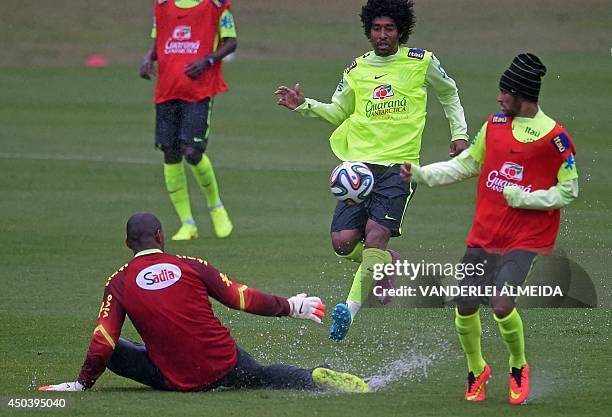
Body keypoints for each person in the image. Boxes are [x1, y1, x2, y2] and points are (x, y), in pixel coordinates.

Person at [274, 0, 469, 341]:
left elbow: (449, 93)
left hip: (399, 168)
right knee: (343, 244)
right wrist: (303, 105)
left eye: (389, 28)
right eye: (376, 28)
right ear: (368, 31)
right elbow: (338, 112)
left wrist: (460, 134)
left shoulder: (421, 61)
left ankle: (347, 310)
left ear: (401, 30)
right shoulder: (357, 69)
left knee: (376, 236)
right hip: (358, 170)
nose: (382, 35)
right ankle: (383, 262)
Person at [400, 53, 579, 404]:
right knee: (465, 303)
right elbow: (467, 164)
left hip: (526, 238)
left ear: (522, 94)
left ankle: (517, 365)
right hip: (486, 233)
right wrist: (421, 173)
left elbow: (569, 190)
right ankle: (476, 369)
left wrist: (527, 198)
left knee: (500, 303)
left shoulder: (555, 138)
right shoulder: (494, 125)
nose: (498, 98)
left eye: (505, 92)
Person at [39, 213, 368, 393]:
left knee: (117, 349)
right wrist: (291, 306)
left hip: (178, 380)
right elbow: (240, 297)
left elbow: (103, 341)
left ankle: (96, 381)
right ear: (160, 236)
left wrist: (82, 383)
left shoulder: (119, 281)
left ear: (128, 244)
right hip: (226, 363)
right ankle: (312, 379)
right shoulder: (191, 265)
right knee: (265, 376)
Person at [139, 0, 236, 241]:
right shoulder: (162, 5)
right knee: (170, 153)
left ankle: (216, 207)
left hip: (199, 91)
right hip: (167, 90)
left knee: (191, 151)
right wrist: (148, 57)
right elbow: (159, 38)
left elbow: (231, 41)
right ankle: (187, 223)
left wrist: (207, 61)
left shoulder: (216, 5)